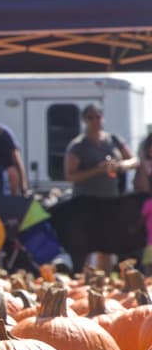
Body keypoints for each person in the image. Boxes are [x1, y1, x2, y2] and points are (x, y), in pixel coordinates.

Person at [65, 103, 138, 271]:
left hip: (110, 201)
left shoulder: (113, 140)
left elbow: (134, 161)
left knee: (106, 246)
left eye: (98, 116)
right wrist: (97, 169)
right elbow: (70, 175)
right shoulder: (78, 145)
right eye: (91, 117)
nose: (95, 121)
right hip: (85, 202)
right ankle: (83, 285)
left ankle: (104, 284)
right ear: (84, 120)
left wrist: (119, 166)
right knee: (86, 245)